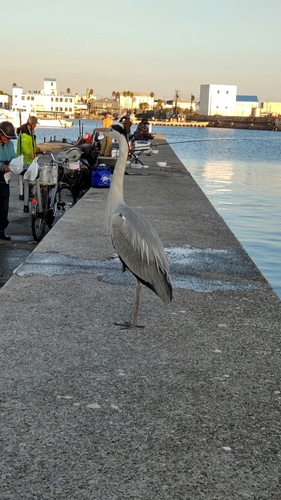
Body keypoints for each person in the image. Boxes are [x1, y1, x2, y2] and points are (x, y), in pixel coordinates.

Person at [17, 115, 40, 212]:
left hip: (31, 160)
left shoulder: (31, 133)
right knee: (27, 178)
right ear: (30, 124)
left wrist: (37, 148)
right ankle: (25, 196)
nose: (35, 126)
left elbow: (33, 144)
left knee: (31, 177)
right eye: (34, 124)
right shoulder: (24, 134)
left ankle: (28, 193)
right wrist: (30, 154)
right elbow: (25, 147)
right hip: (25, 160)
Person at [0, 121, 17, 240]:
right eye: (6, 137)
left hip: (5, 177)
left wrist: (17, 164)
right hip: (1, 170)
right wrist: (1, 167)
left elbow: (13, 157)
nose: (8, 139)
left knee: (4, 204)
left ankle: (1, 230)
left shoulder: (10, 144)